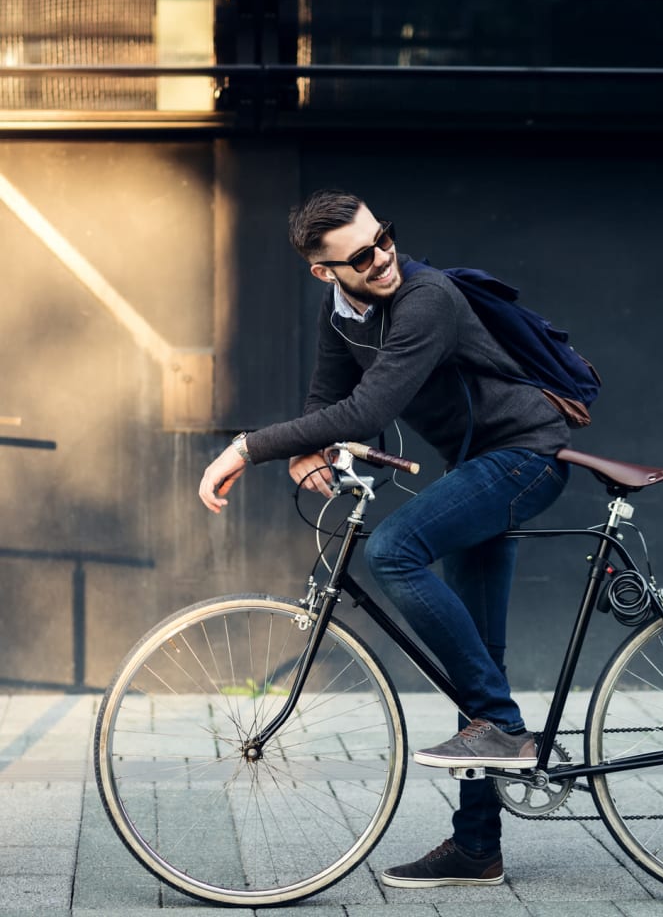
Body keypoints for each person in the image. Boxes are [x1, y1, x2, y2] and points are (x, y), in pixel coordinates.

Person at [198, 188, 571, 888]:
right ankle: (477, 848)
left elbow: (371, 407)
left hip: (526, 456)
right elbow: (329, 396)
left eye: (384, 239)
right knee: (475, 657)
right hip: (478, 465)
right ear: (324, 272)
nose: (382, 259)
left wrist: (249, 447)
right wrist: (311, 447)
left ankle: (501, 725)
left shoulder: (426, 298)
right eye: (361, 257)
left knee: (394, 549)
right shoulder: (340, 309)